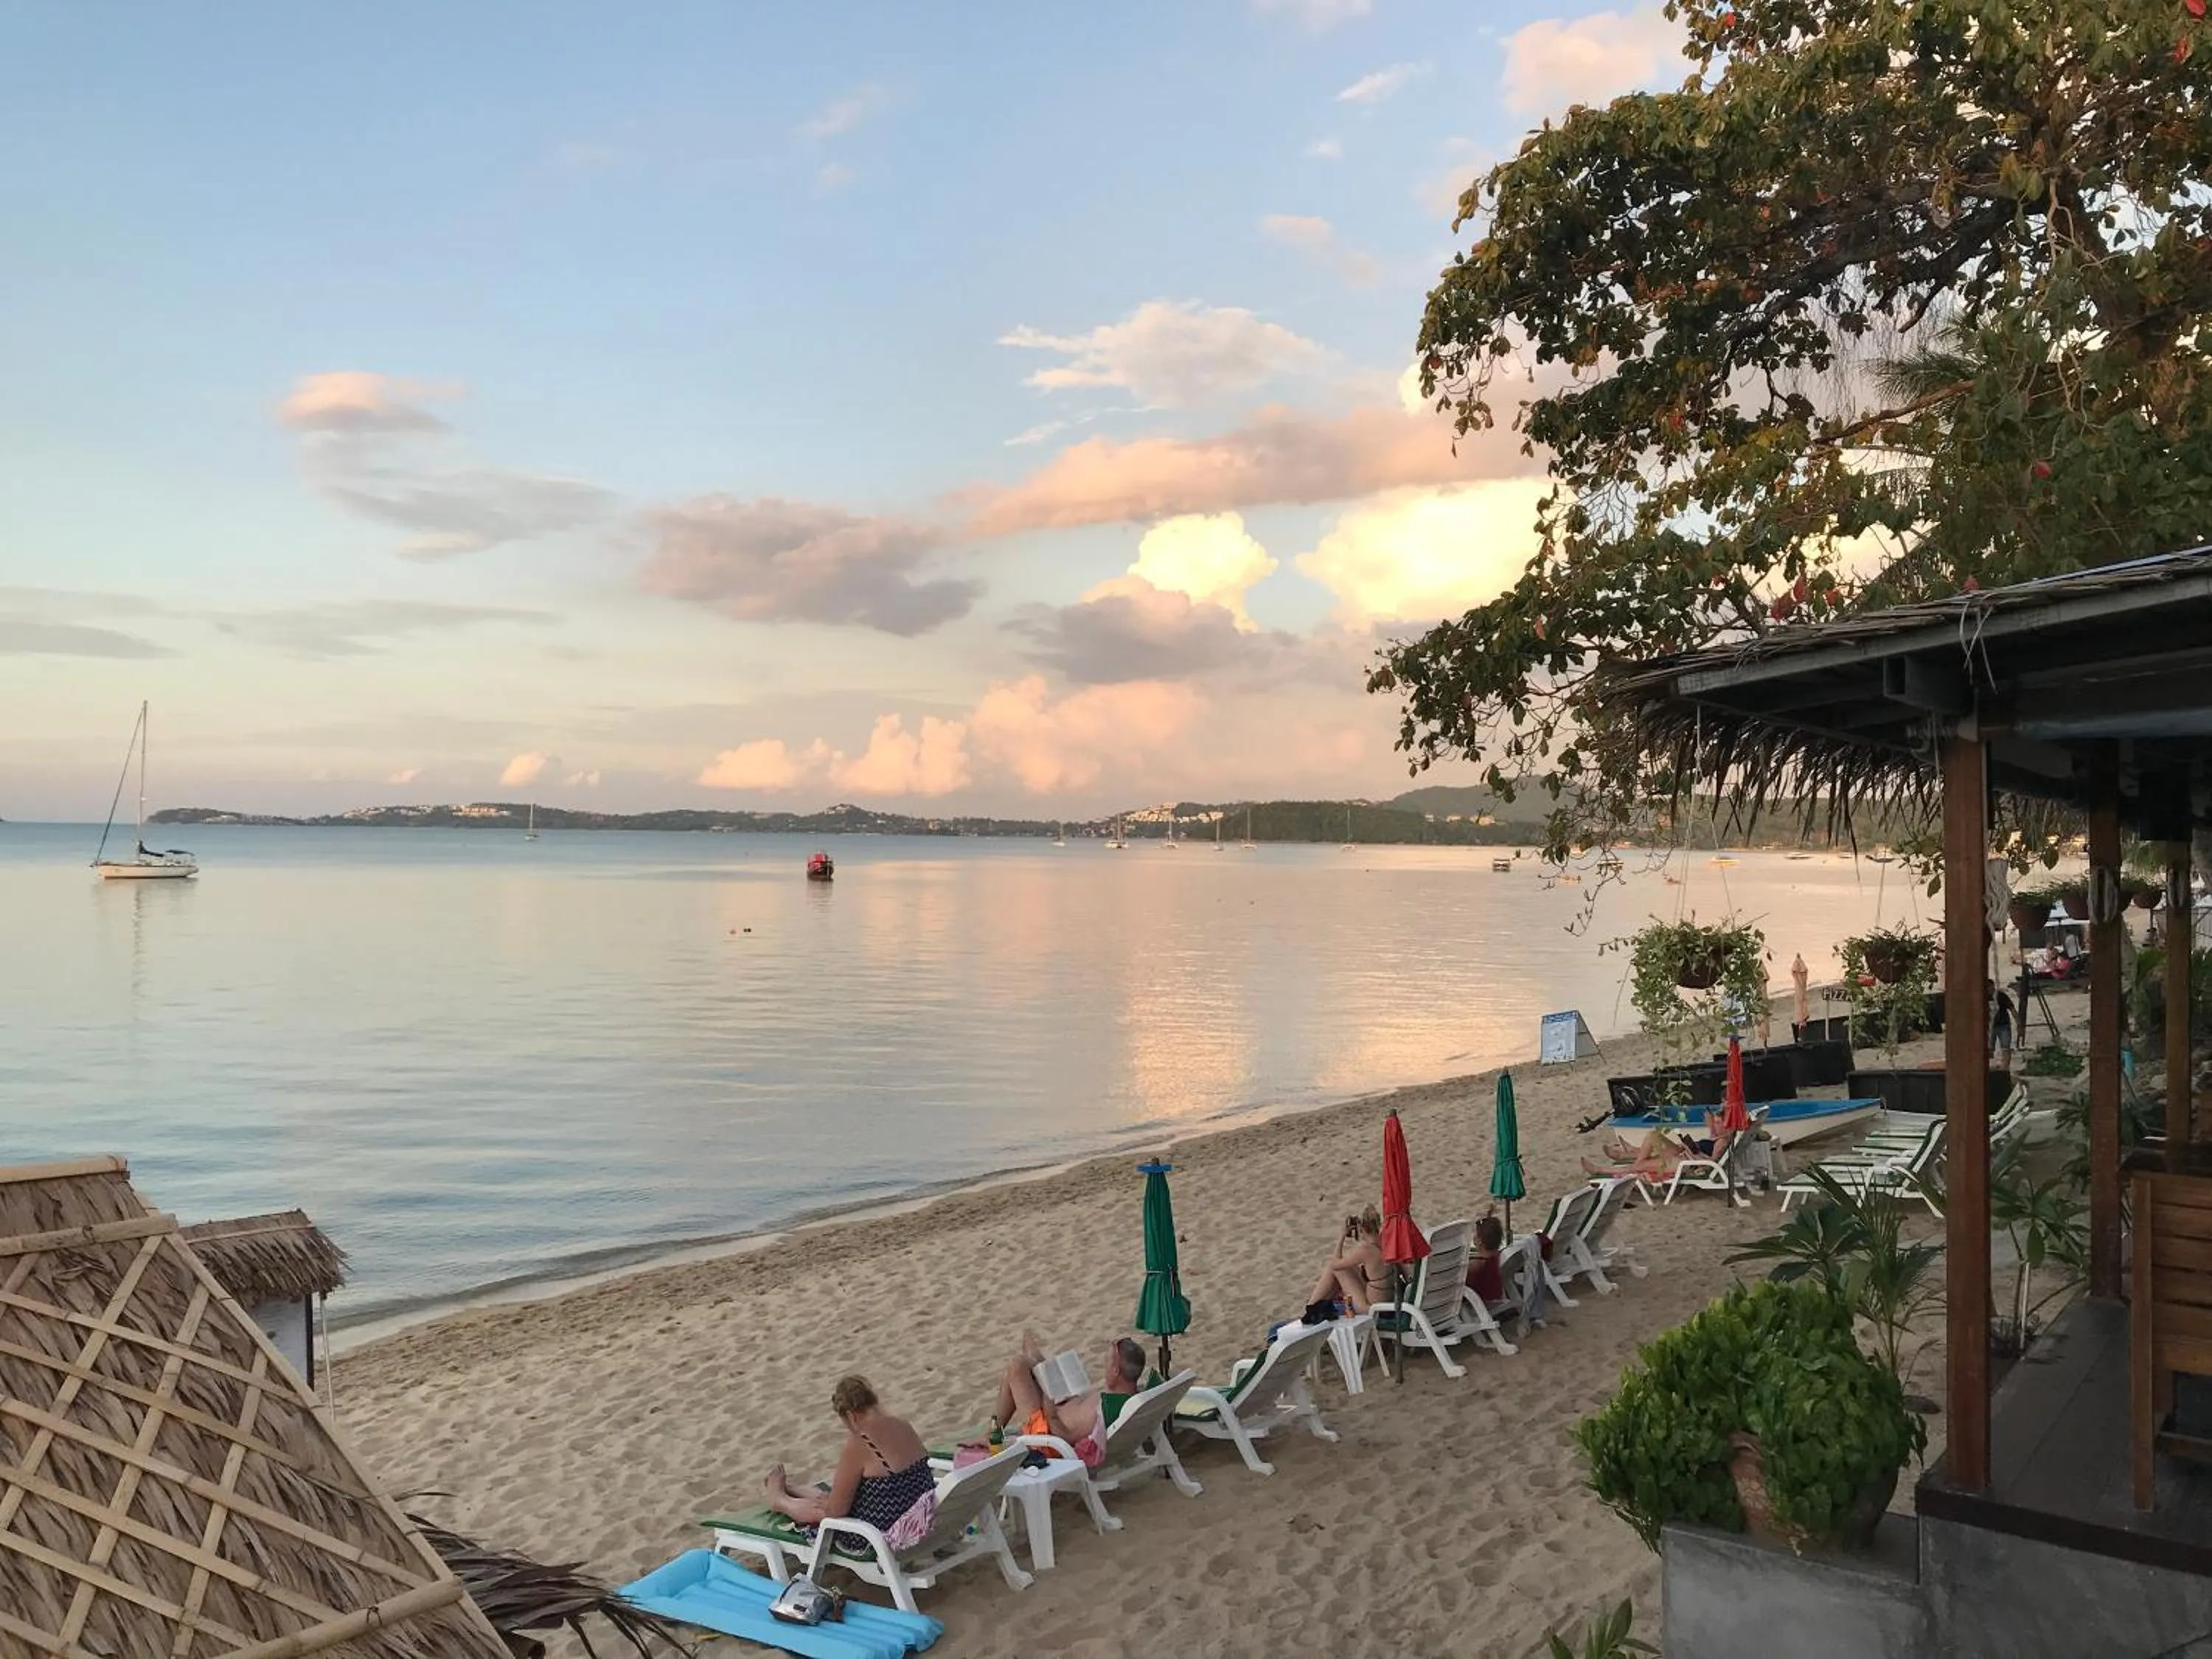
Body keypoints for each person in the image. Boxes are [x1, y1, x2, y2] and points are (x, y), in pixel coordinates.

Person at [762, 1374, 937, 1549]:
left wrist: (831, 1505)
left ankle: (780, 1501)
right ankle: (792, 1489)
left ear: (850, 1415)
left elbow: (836, 1512)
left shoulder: (861, 1442)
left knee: (825, 1511)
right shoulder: (903, 1425)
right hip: (917, 1519)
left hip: (877, 1535)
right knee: (833, 1498)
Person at [989, 1332, 1143, 1464]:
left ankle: (992, 1433)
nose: (1105, 1367)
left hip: (1045, 1438)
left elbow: (1064, 1436)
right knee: (1032, 1355)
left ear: (1116, 1371)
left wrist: (1046, 1399)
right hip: (1058, 1409)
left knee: (1017, 1366)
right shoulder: (1127, 1398)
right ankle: (992, 1431)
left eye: (1107, 1363)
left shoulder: (1103, 1410)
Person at [1303, 1204, 1388, 1317]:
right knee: (1348, 1267)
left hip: (1370, 1309)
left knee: (1336, 1269)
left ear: (1361, 1229)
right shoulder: (1383, 1244)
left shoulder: (1366, 1250)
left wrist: (1342, 1236)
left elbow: (1334, 1264)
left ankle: (1311, 1307)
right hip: (1383, 1303)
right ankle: (1316, 1305)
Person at [1992, 987, 2016, 1068]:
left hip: (2003, 1025)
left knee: (2006, 1047)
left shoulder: (2001, 996)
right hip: (1991, 1026)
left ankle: (2005, 1067)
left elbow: (2012, 1009)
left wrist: (2019, 1024)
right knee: (1989, 1049)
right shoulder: (1982, 995)